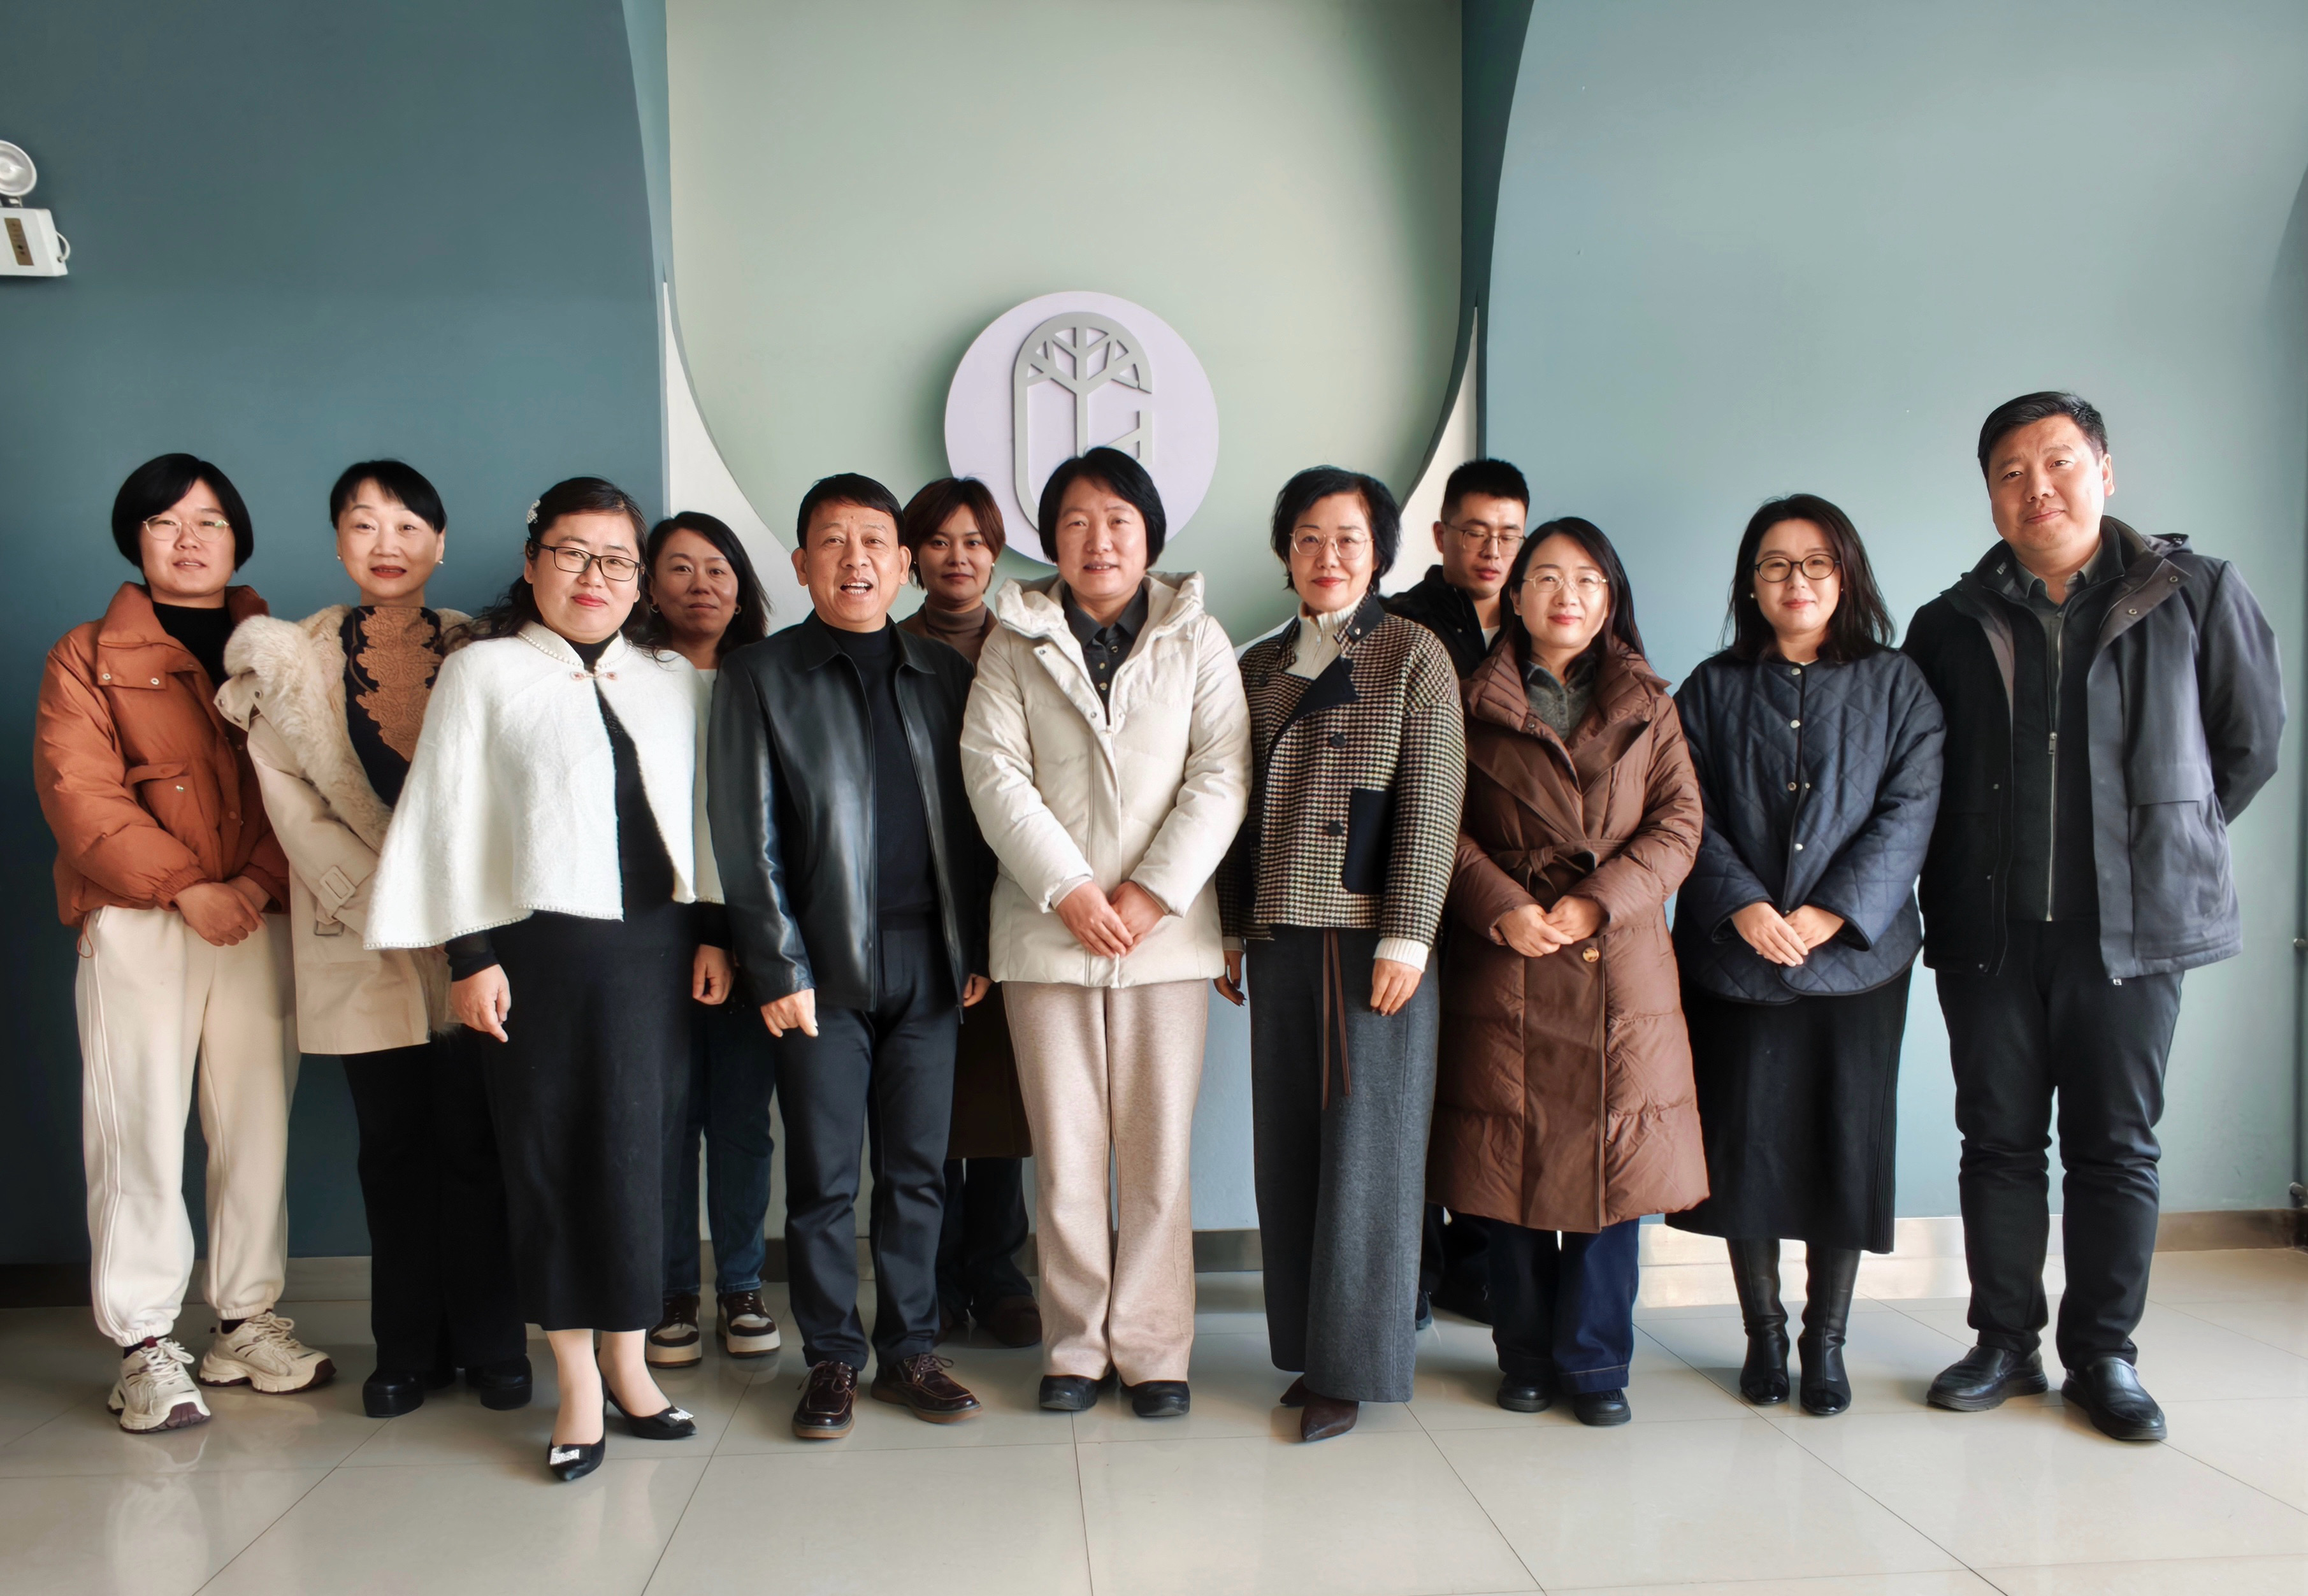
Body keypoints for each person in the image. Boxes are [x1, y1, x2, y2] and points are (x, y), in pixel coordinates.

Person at [1904, 392, 2283, 1441]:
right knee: (1996, 1140)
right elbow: (1923, 773)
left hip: (2133, 931)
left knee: (2114, 1146)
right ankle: (2002, 1341)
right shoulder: (1947, 621)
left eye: (2058, 462)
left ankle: (2104, 1354)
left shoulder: (2194, 593)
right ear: (1990, 498)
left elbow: (2246, 745)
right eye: (2010, 472)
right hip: (1987, 929)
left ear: (2104, 472)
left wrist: (2153, 844)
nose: (2037, 487)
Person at [366, 477, 732, 1483]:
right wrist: (469, 955)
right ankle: (575, 1379)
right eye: (572, 553)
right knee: (550, 1161)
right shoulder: (482, 672)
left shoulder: (671, 678)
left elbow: (702, 817)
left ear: (639, 580)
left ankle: (630, 1364)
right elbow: (447, 820)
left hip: (655, 951)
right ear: (533, 564)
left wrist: (713, 934)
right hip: (535, 957)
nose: (593, 576)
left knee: (643, 1156)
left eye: (616, 559)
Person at [216, 460, 530, 1419]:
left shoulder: (490, 650)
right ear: (338, 542)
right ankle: (406, 1348)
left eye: (406, 526)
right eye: (363, 525)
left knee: (478, 1142)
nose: (385, 545)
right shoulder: (288, 661)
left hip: (476, 931)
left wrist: (457, 904)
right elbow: (293, 807)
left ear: (439, 542)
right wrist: (390, 897)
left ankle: (491, 1343)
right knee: (391, 1148)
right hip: (357, 931)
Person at [34, 454, 328, 1434]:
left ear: (238, 537)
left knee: (256, 1125)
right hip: (139, 919)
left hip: (257, 914)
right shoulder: (85, 654)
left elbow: (313, 786)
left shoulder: (283, 651)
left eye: (209, 521)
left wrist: (251, 884)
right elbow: (79, 792)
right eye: (165, 522)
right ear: (137, 539)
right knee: (140, 1126)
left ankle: (245, 1321)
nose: (189, 538)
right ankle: (145, 1344)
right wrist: (186, 887)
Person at [962, 446, 1250, 1419]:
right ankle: (1075, 1346)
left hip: (1164, 934)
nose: (1099, 539)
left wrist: (1151, 893)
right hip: (1046, 932)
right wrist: (1069, 889)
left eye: (1118, 519)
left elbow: (1222, 774)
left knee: (1156, 1151)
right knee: (1067, 1150)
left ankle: (1156, 1349)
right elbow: (993, 772)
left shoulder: (1197, 636)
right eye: (1076, 521)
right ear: (1051, 538)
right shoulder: (1012, 638)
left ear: (1150, 534)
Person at [709, 473, 993, 1441]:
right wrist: (776, 964)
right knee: (825, 1179)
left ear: (903, 564)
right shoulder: (759, 674)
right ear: (801, 565)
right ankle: (832, 1356)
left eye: (875, 541)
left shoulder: (943, 673)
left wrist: (973, 943)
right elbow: (743, 836)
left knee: (917, 1172)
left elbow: (976, 823)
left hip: (930, 962)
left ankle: (911, 1348)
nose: (855, 558)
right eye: (833, 541)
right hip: (819, 970)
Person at [1668, 494, 1944, 1416]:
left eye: (1817, 562)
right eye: (1776, 564)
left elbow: (1910, 810)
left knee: (1842, 1147)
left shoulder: (1899, 684)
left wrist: (1828, 914)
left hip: (1857, 963)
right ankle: (1762, 1333)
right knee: (1741, 1148)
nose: (1797, 581)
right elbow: (1681, 807)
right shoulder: (1710, 687)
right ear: (1750, 583)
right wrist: (1745, 906)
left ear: (1846, 575)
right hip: (1733, 960)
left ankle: (1825, 1342)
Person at [1431, 517, 1707, 1427]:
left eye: (1587, 579)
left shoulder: (1650, 703)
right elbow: (1437, 822)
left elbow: (1678, 824)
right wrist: (1500, 904)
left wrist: (1599, 900)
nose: (1567, 595)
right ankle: (1523, 1353)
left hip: (1617, 957)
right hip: (1509, 951)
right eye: (1546, 577)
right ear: (1513, 596)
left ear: (1610, 598)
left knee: (1613, 1166)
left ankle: (1595, 1362)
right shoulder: (1464, 699)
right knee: (1506, 1165)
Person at [1218, 466, 1466, 1441]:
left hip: (1372, 937)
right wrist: (1230, 924)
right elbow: (1231, 805)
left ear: (1380, 553)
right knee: (1289, 1146)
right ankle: (1308, 1347)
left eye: (1348, 538)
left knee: (1370, 1153)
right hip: (1280, 930)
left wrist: (1408, 932)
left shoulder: (1412, 652)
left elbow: (1433, 801)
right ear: (1286, 551)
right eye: (1309, 537)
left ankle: (1351, 1367)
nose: (1328, 556)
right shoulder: (1257, 665)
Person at [637, 511, 784, 1370]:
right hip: (652, 936)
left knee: (739, 1119)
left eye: (718, 569)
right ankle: (669, 1291)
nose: (702, 585)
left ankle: (741, 1284)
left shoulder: (763, 677)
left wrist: (729, 934)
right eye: (681, 568)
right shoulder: (628, 678)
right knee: (664, 1120)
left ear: (742, 586)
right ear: (649, 586)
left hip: (750, 933)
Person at [897, 477, 1041, 1350]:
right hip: (919, 902)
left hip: (1014, 893)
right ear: (913, 555)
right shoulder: (889, 646)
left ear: (996, 554)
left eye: (976, 541)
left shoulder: (1025, 645)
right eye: (940, 541)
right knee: (929, 1106)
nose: (959, 558)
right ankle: (937, 1276)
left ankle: (998, 1271)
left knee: (1005, 1099)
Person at [1385, 456, 1527, 1326]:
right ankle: (1415, 1268)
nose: (1492, 549)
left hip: (1514, 887)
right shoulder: (1401, 623)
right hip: (1422, 879)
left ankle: (1481, 1263)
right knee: (1421, 1084)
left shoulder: (1541, 620)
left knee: (1493, 1080)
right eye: (1475, 531)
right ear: (1440, 534)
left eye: (1509, 534)